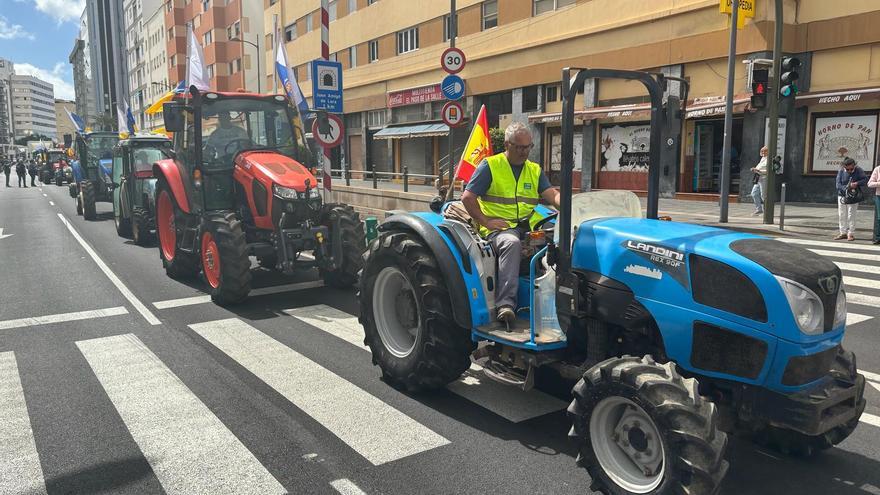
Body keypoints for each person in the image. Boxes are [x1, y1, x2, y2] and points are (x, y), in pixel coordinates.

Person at [461, 122, 561, 324]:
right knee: (511, 243)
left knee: (563, 238)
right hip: (500, 229)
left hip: (528, 227)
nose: (525, 152)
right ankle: (506, 304)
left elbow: (552, 195)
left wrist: (570, 205)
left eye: (528, 147)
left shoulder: (534, 170)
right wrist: (486, 221)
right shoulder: (490, 166)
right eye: (519, 147)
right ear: (507, 144)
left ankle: (556, 298)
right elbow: (468, 198)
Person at [835, 157, 868, 241]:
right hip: (842, 195)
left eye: (851, 169)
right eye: (847, 169)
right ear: (844, 166)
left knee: (851, 215)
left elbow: (865, 179)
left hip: (853, 195)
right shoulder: (841, 171)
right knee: (841, 215)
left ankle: (851, 234)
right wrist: (846, 187)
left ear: (854, 165)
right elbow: (838, 185)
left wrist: (857, 183)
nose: (850, 171)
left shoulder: (858, 170)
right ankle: (843, 233)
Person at [750, 146, 769, 215]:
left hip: (764, 178)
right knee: (754, 193)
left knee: (763, 195)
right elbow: (759, 167)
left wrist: (758, 170)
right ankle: (759, 209)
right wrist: (755, 169)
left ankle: (767, 210)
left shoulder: (769, 159)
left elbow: (768, 171)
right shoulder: (763, 158)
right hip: (758, 178)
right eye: (762, 151)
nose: (763, 152)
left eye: (765, 151)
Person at [868, 163, 880, 245]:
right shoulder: (878, 169)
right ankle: (877, 238)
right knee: (879, 218)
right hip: (879, 196)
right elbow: (870, 184)